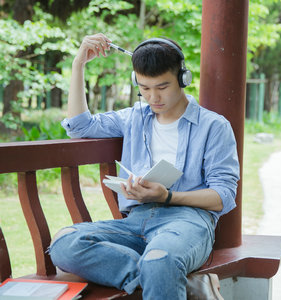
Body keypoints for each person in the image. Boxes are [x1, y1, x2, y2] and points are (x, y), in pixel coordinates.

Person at [49, 33, 240, 299]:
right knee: (64, 243)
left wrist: (167, 196)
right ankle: (177, 280)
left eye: (162, 87)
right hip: (136, 221)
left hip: (188, 221)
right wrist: (78, 65)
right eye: (144, 88)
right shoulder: (133, 118)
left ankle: (162, 269)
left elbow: (224, 196)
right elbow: (79, 126)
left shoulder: (213, 126)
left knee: (160, 258)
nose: (153, 97)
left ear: (183, 79)